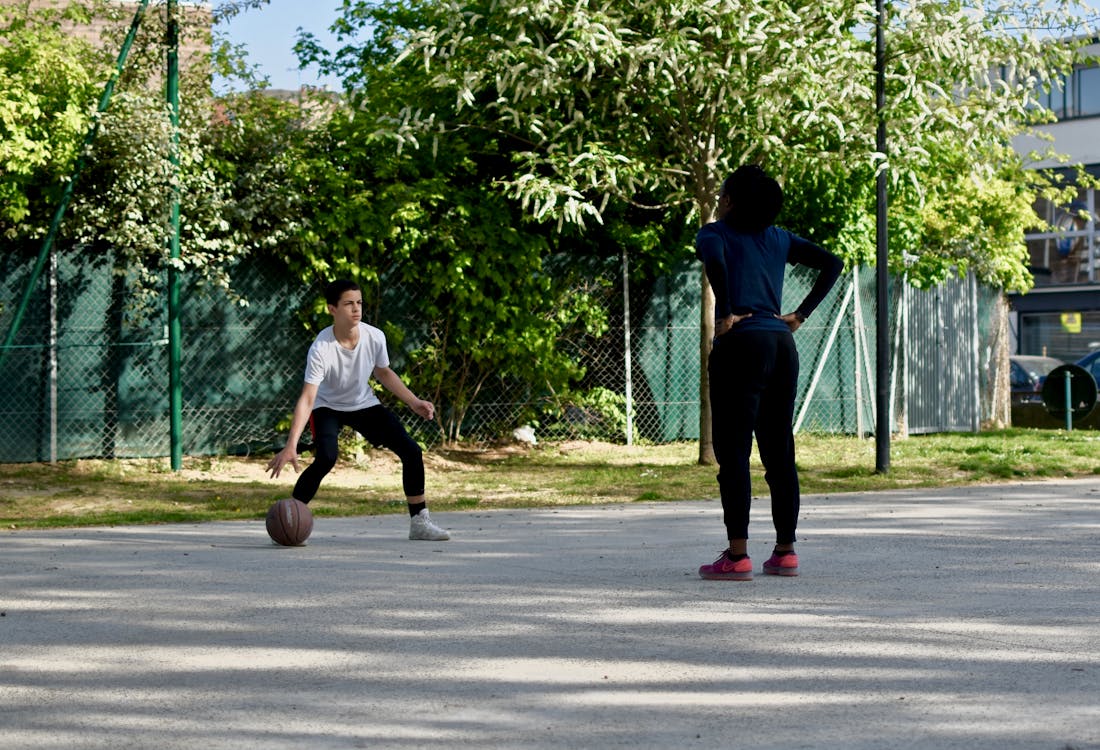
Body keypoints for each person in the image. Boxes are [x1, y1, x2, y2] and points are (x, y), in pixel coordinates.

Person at [695, 165, 842, 580]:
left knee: (735, 452)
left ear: (729, 201)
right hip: (781, 343)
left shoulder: (714, 232)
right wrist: (801, 314)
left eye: (724, 193)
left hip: (741, 343)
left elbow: (716, 262)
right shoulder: (779, 238)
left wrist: (725, 312)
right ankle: (785, 551)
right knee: (779, 450)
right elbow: (833, 263)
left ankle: (737, 556)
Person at [267, 279, 450, 541]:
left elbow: (384, 373)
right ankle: (292, 514)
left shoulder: (374, 336)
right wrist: (291, 445)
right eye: (349, 303)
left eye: (359, 303)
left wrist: (414, 402)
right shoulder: (321, 348)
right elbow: (308, 398)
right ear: (332, 309)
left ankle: (419, 522)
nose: (356, 309)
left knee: (412, 450)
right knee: (327, 457)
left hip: (362, 403)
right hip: (327, 407)